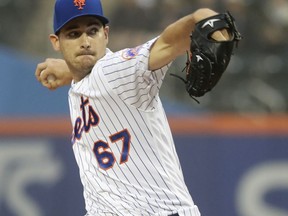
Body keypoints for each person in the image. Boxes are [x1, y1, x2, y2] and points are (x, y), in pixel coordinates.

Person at [35, 0, 229, 215]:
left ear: (106, 34)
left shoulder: (117, 70)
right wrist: (70, 70)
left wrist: (199, 17)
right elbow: (92, 79)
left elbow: (168, 43)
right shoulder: (83, 83)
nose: (86, 42)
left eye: (93, 31)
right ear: (56, 42)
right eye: (73, 34)